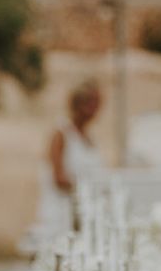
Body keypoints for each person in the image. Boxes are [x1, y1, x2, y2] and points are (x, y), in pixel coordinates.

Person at [29, 79, 105, 248]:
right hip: (60, 212)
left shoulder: (88, 137)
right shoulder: (61, 134)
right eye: (94, 103)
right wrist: (89, 187)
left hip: (84, 213)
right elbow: (58, 178)